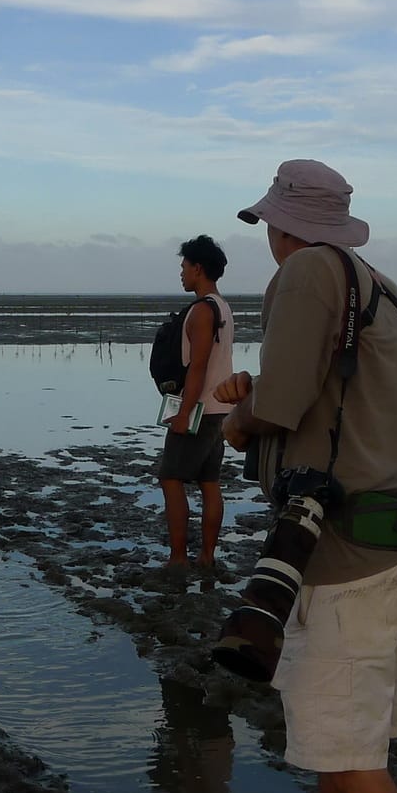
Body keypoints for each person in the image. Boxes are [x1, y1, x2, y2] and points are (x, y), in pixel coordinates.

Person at [214, 160, 397, 793]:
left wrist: (241, 416)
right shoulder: (377, 284)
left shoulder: (305, 275)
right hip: (385, 544)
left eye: (271, 220)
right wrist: (264, 390)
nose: (268, 232)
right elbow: (326, 393)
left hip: (344, 557)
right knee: (347, 740)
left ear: (284, 224)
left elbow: (280, 409)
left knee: (356, 759)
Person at [158, 235, 235, 567]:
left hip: (200, 410)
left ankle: (178, 558)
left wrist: (183, 413)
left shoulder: (203, 311)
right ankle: (207, 557)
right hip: (221, 410)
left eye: (184, 266)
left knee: (171, 479)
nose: (181, 273)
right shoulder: (222, 306)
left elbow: (199, 366)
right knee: (209, 482)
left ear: (198, 268)